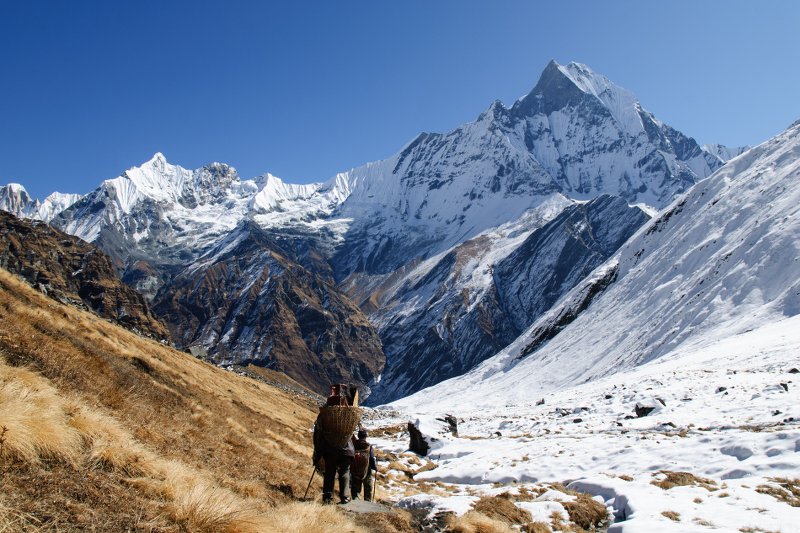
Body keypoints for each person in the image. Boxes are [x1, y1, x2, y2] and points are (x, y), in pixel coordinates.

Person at [313, 396, 356, 504]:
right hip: (347, 450)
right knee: (345, 472)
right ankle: (345, 497)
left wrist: (317, 452)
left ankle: (328, 498)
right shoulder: (349, 414)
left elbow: (318, 434)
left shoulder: (324, 416)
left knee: (330, 473)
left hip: (330, 449)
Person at [350, 429, 377, 501]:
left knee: (356, 489)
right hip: (367, 470)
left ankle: (356, 502)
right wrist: (375, 468)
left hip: (355, 469)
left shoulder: (353, 445)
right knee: (368, 488)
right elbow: (371, 458)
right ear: (366, 436)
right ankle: (367, 503)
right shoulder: (368, 446)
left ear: (358, 436)